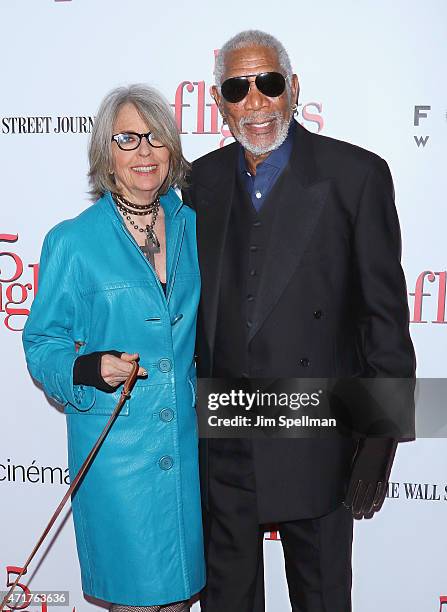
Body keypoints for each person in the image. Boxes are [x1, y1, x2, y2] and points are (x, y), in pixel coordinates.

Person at [183, 30, 416, 611]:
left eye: (268, 83)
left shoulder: (356, 175)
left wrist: (380, 441)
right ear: (220, 104)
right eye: (238, 89)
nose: (255, 103)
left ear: (293, 89)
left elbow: (384, 320)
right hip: (225, 438)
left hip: (318, 439)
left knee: (321, 599)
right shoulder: (200, 183)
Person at [23, 84, 205, 612]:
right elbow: (42, 343)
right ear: (106, 153)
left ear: (171, 149)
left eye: (155, 139)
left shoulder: (196, 226)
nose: (144, 152)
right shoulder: (72, 241)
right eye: (127, 139)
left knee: (181, 600)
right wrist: (87, 367)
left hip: (189, 451)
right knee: (137, 601)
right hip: (116, 455)